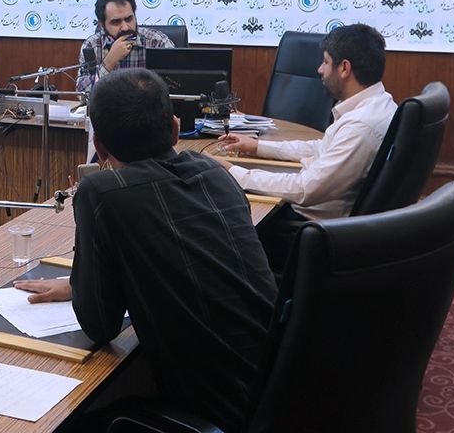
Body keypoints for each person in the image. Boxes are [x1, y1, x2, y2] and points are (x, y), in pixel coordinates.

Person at [15, 69, 275, 432]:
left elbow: (100, 326)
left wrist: (87, 281)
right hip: (280, 391)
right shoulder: (215, 174)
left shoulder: (101, 193)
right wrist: (80, 283)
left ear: (99, 146)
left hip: (222, 412)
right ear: (175, 129)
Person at [216, 24, 397, 267]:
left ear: (344, 68)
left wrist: (233, 173)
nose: (320, 69)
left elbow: (304, 190)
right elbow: (321, 148)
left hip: (306, 235)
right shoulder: (378, 104)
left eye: (325, 62)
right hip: (317, 224)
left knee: (216, 218)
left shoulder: (361, 126)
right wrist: (258, 147)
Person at [75, 0, 173, 94]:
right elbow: (83, 94)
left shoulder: (156, 42)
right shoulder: (92, 45)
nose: (125, 27)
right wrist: (109, 62)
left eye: (129, 19)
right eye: (116, 22)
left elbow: (176, 85)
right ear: (102, 25)